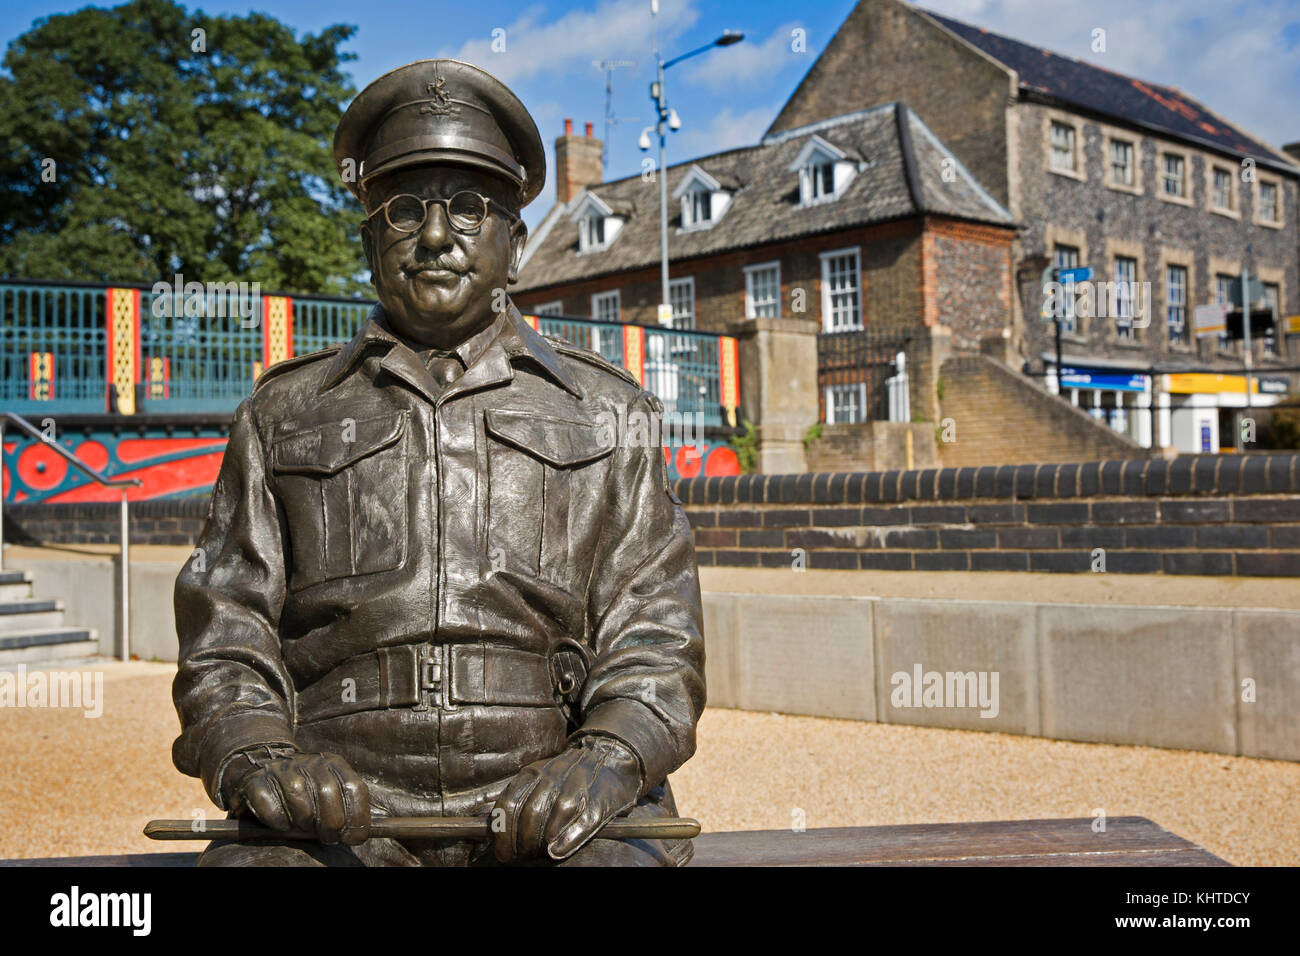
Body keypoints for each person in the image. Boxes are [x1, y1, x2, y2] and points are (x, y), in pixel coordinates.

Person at [171, 59, 706, 867]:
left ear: (516, 243)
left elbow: (656, 634)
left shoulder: (611, 412)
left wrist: (608, 758)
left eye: (467, 207)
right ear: (368, 240)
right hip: (336, 814)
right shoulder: (279, 413)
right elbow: (226, 628)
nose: (432, 236)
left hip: (551, 797)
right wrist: (257, 755)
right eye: (403, 210)